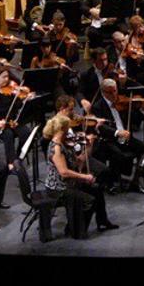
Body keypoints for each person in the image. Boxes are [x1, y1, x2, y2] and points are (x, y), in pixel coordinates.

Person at [42, 101, 117, 236]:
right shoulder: (56, 148)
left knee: (97, 189)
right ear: (62, 130)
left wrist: (89, 144)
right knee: (90, 200)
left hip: (68, 183)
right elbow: (64, 173)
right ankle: (74, 229)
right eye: (67, 129)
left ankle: (102, 221)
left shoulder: (64, 144)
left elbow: (79, 162)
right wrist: (85, 177)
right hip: (59, 188)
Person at [89, 78, 144, 190]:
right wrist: (117, 132)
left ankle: (135, 181)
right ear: (103, 92)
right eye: (110, 92)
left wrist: (142, 109)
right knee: (120, 155)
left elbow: (136, 119)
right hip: (109, 140)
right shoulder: (98, 106)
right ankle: (113, 180)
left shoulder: (123, 102)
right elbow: (101, 128)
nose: (114, 94)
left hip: (126, 137)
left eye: (115, 90)